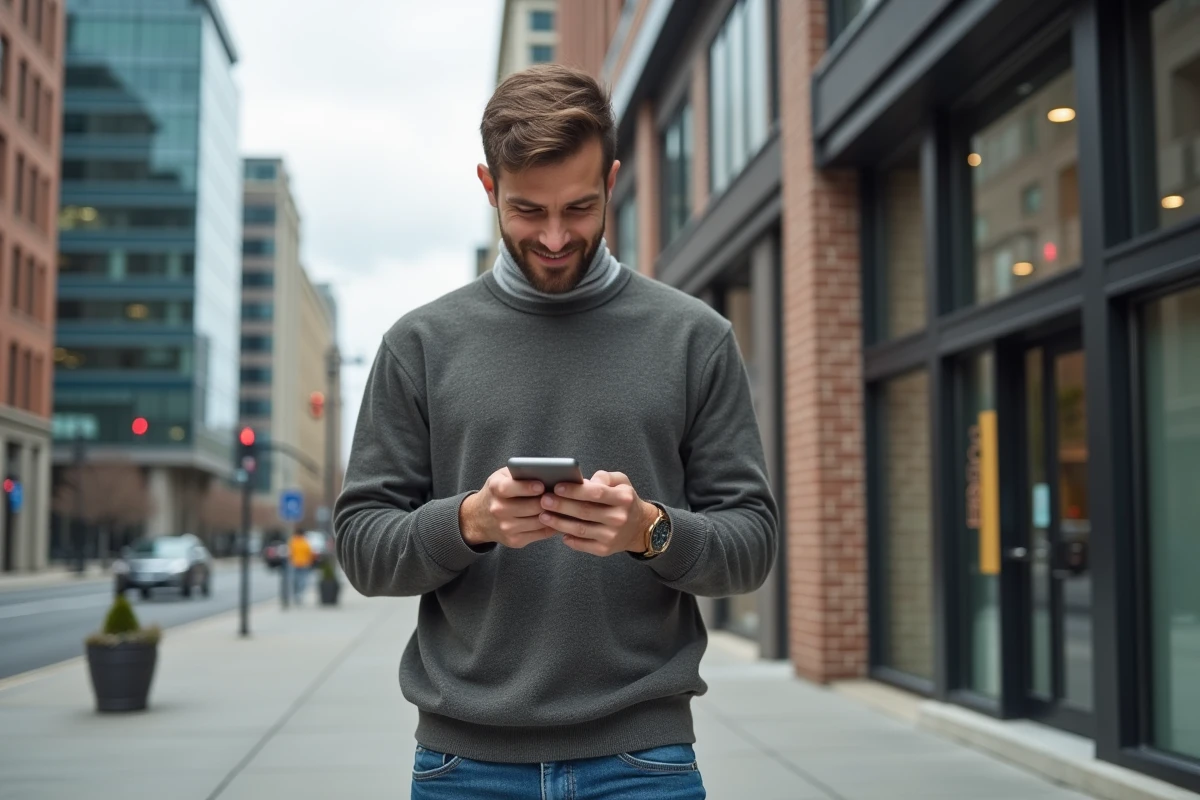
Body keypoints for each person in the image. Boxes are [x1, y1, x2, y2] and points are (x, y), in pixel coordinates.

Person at [334, 63, 778, 799]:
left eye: (577, 207)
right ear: (487, 187)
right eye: (525, 210)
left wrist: (648, 529)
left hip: (643, 761)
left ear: (611, 179)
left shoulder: (694, 338)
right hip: (463, 767)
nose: (552, 237)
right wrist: (471, 522)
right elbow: (361, 547)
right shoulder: (419, 344)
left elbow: (752, 545)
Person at [288, 529, 313, 604]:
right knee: (302, 580)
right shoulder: (305, 542)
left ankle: (297, 594)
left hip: (295, 563)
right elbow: (309, 553)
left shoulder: (293, 541)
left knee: (296, 580)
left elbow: (290, 552)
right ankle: (299, 594)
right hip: (303, 564)